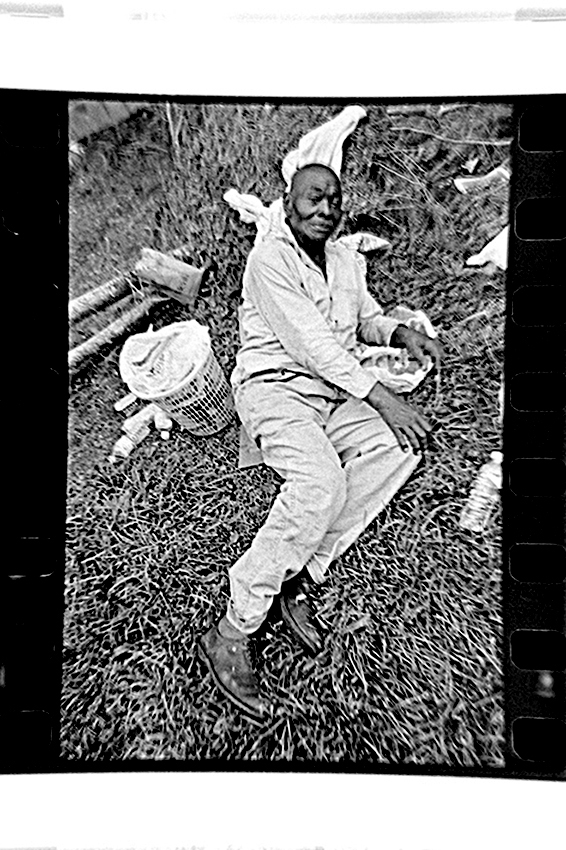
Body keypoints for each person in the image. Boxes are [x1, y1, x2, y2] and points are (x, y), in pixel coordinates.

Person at [198, 163, 442, 719]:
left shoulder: (346, 260)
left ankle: (302, 572)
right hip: (276, 390)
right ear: (288, 203)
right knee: (319, 483)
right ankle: (232, 629)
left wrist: (400, 332)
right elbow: (313, 346)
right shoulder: (269, 260)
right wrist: (383, 397)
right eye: (313, 198)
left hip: (331, 393)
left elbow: (363, 322)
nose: (325, 209)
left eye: (334, 199)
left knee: (398, 446)